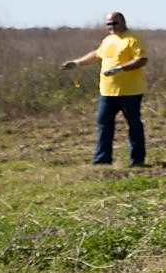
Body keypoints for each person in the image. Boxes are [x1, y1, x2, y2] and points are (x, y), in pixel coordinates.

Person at [60, 11, 148, 166]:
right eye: (108, 24)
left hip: (130, 92)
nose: (111, 26)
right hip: (107, 92)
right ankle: (102, 161)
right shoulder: (108, 40)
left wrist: (120, 69)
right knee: (103, 124)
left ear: (123, 22)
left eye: (115, 23)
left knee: (134, 125)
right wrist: (77, 63)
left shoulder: (133, 39)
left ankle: (137, 160)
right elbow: (97, 54)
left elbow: (141, 60)